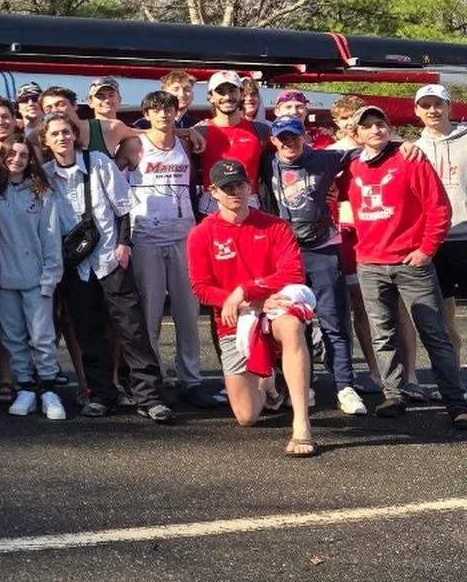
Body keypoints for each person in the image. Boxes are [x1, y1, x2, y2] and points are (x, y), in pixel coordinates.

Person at [41, 111, 174, 423]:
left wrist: (124, 244)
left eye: (66, 132)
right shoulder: (45, 175)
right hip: (75, 264)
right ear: (46, 142)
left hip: (109, 257)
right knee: (88, 331)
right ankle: (101, 394)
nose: (62, 138)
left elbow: (124, 206)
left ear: (75, 134)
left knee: (132, 328)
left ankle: (149, 396)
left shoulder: (98, 162)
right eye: (55, 134)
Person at [341, 105, 467, 426]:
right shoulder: (352, 167)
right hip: (370, 263)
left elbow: (439, 208)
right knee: (382, 334)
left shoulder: (410, 159)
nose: (375, 130)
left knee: (433, 332)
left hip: (411, 261)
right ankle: (393, 394)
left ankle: (455, 402)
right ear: (354, 135)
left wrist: (426, 250)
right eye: (366, 126)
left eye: (380, 123)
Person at [186, 159, 317, 456]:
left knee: (293, 325)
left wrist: (245, 290)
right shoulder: (202, 234)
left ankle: (301, 424)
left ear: (249, 187)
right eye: (226, 187)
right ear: (213, 192)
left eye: (239, 185)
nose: (235, 191)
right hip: (236, 323)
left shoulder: (275, 226)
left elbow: (293, 273)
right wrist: (243, 299)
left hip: (274, 309)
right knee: (247, 417)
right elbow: (201, 288)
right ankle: (267, 384)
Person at [265, 114, 362, 414]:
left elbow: (366, 148)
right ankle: (302, 383)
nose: (289, 142)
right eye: (283, 138)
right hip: (287, 253)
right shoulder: (266, 163)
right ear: (273, 141)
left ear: (305, 136)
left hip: (322, 248)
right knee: (296, 321)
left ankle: (345, 385)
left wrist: (405, 145)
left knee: (333, 320)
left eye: (294, 136)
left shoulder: (325, 158)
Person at [128, 90, 209, 405]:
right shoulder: (134, 144)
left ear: (177, 112)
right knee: (149, 312)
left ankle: (191, 379)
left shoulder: (187, 141)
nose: (163, 115)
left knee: (187, 311)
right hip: (146, 234)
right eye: (157, 110)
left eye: (169, 109)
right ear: (147, 113)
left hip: (182, 235)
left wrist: (191, 131)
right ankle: (153, 378)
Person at [0, 138, 65, 420]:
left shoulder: (42, 191)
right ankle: (25, 388)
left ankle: (47, 389)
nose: (17, 159)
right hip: (3, 277)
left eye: (23, 155)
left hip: (36, 276)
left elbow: (50, 235)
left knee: (42, 338)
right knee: (13, 337)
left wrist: (50, 274)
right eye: (12, 153)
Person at [412, 83, 467, 369]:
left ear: (449, 107)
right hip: (437, 242)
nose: (433, 110)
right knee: (446, 322)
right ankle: (455, 381)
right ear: (417, 111)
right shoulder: (412, 150)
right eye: (426, 105)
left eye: (438, 104)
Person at [197, 71, 267, 214]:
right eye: (221, 92)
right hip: (211, 207)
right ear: (210, 97)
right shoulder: (200, 131)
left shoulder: (261, 131)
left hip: (250, 205)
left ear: (241, 93)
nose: (227, 97)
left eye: (232, 90)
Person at [86, 77, 136, 157]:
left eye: (111, 95)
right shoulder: (86, 130)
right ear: (90, 102)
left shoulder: (132, 131)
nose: (107, 100)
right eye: (100, 97)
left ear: (119, 100)